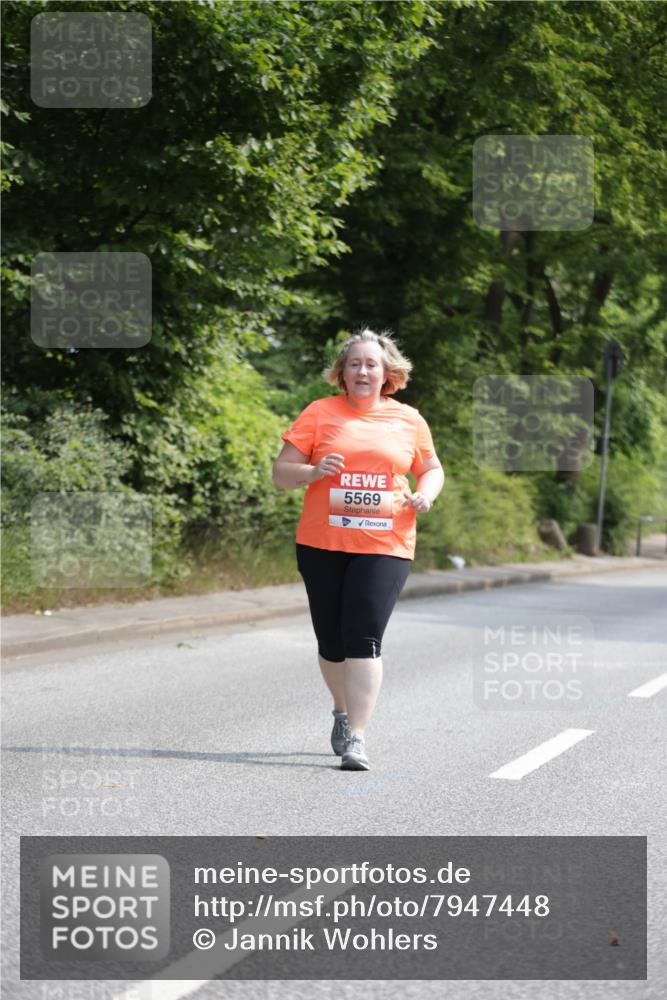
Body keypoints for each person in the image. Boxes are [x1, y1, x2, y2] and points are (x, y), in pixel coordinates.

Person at [272, 327, 444, 771]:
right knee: (331, 641)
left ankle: (358, 738)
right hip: (322, 542)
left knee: (364, 637)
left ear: (387, 373)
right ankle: (342, 711)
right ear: (342, 373)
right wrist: (313, 472)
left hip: (385, 542)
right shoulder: (319, 413)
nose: (363, 371)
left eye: (371, 364)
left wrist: (426, 493)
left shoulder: (408, 419)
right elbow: (281, 473)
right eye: (354, 364)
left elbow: (431, 469)